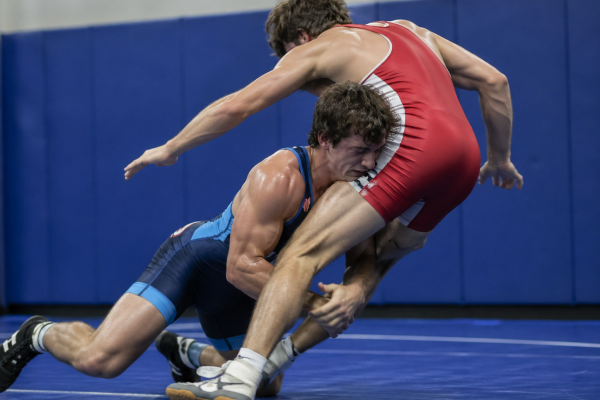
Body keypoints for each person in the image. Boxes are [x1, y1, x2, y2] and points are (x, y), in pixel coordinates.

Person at [124, 1, 525, 399]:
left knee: (300, 256)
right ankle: (277, 360)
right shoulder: (408, 29)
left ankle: (239, 378)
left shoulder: (322, 46)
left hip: (412, 144)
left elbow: (238, 104)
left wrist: (171, 147)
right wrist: (499, 158)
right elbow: (495, 81)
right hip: (464, 159)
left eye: (288, 55)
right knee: (377, 259)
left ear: (301, 37)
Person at [0, 82, 399, 396]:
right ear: (325, 139)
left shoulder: (352, 189)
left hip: (245, 287)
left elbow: (365, 256)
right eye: (359, 150)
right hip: (197, 263)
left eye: (376, 152)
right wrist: (315, 304)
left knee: (264, 384)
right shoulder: (280, 177)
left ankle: (185, 352)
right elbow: (240, 267)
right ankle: (36, 333)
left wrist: (352, 290)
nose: (369, 164)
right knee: (99, 361)